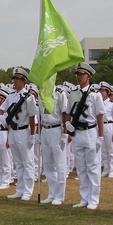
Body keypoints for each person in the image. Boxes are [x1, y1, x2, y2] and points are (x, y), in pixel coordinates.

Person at [66, 62, 106, 210]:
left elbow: (99, 116)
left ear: (88, 76)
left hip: (90, 131)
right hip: (77, 132)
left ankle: (94, 199)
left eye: (82, 74)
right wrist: (68, 126)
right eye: (78, 74)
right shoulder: (73, 94)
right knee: (81, 167)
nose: (79, 77)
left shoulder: (95, 95)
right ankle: (84, 197)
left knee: (93, 167)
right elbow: (69, 113)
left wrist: (101, 137)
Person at [0, 68, 38, 201]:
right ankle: (20, 189)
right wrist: (5, 123)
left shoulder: (29, 97)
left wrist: (33, 135)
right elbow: (1, 109)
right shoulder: (11, 96)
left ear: (24, 81)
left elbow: (32, 116)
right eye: (14, 79)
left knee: (27, 162)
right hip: (13, 131)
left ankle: (28, 190)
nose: (15, 82)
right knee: (18, 163)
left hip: (24, 130)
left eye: (17, 79)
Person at [39, 77, 68, 205]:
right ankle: (52, 193)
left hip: (57, 128)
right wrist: (38, 133)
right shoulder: (42, 94)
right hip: (45, 128)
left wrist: (65, 133)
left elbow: (65, 113)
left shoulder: (59, 93)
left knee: (59, 163)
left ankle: (59, 195)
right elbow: (40, 115)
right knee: (48, 163)